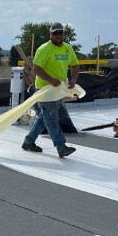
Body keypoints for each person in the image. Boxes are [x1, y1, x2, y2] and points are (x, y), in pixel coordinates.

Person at [22, 22, 80, 158]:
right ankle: (61, 147)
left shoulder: (68, 49)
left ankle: (28, 142)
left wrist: (73, 80)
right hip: (45, 89)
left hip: (58, 89)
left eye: (60, 33)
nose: (58, 35)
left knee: (44, 117)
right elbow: (36, 69)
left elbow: (75, 66)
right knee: (51, 119)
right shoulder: (45, 49)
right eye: (55, 33)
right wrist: (50, 80)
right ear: (51, 35)